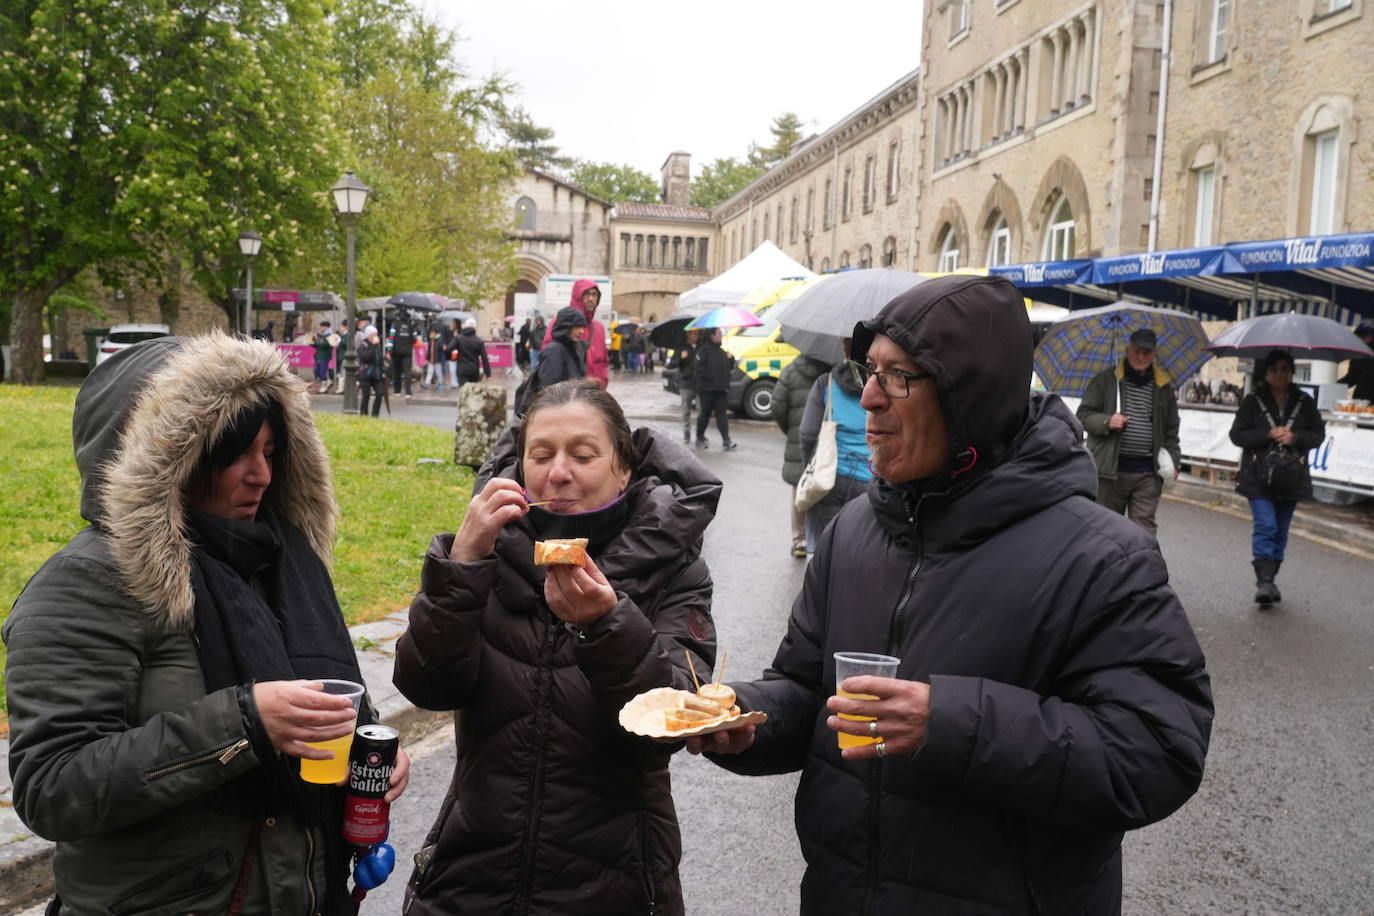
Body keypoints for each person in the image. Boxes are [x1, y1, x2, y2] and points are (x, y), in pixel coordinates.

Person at [688, 274, 1213, 914]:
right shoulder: (855, 529)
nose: (870, 397)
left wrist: (952, 724)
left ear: (972, 396)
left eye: (899, 375)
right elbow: (808, 688)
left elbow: (1156, 754)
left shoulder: (1103, 557)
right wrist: (747, 716)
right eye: (868, 369)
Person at [3, 331, 410, 916]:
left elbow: (327, 701)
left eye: (271, 452)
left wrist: (371, 755)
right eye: (234, 453)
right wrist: (241, 723)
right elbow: (52, 788)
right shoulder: (87, 583)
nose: (261, 476)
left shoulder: (279, 561)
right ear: (170, 458)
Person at [393, 378, 720, 916]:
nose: (558, 472)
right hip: (471, 879)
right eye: (540, 455)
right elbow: (427, 684)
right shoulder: (490, 554)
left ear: (625, 468)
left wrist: (606, 623)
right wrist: (463, 566)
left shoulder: (677, 569)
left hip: (616, 883)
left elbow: (668, 727)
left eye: (583, 455)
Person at [1228, 349, 1326, 607]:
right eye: (1274, 369)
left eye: (1285, 369)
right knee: (1266, 526)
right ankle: (1264, 582)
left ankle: (1271, 579)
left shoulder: (1304, 402)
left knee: (1281, 532)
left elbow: (1317, 435)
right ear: (1267, 372)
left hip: (1292, 476)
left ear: (1291, 372)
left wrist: (1295, 437)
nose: (1280, 374)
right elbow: (1237, 435)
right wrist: (1268, 433)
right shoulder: (1252, 401)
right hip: (1258, 476)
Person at [1076, 328, 1181, 536]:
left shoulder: (1163, 387)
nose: (1140, 357)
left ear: (1154, 354)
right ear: (1127, 349)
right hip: (1110, 471)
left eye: (1146, 352)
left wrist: (1174, 461)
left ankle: (1140, 569)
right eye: (1136, 351)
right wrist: (1107, 421)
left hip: (1148, 473)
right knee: (1104, 531)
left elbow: (1171, 430)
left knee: (1143, 532)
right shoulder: (1106, 380)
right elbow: (1083, 415)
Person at [798, 356, 872, 553]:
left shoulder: (827, 382)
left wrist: (810, 469)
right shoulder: (882, 385)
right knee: (862, 547)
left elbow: (807, 434)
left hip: (831, 478)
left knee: (829, 546)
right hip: (871, 479)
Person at [770, 353, 832, 558]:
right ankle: (823, 540)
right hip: (826, 440)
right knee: (824, 488)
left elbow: (777, 405)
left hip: (798, 436)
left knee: (800, 488)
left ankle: (799, 540)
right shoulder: (830, 372)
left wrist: (790, 428)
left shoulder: (790, 370)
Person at [515, 306, 588, 416]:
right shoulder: (555, 350)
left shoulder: (574, 348)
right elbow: (548, 389)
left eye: (583, 327)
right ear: (566, 327)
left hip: (568, 410)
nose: (582, 331)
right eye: (577, 327)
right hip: (557, 414)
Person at [543, 279, 608, 386]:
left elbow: (603, 362)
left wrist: (602, 384)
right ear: (577, 296)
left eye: (595, 294)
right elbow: (549, 360)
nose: (591, 298)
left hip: (594, 395)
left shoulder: (599, 327)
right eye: (586, 294)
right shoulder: (559, 323)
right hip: (569, 396)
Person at [693, 328, 737, 451]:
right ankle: (700, 438)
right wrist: (712, 377)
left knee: (722, 415)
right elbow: (699, 368)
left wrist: (730, 358)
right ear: (712, 336)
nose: (722, 335)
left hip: (721, 389)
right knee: (705, 415)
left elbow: (728, 368)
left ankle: (726, 440)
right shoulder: (703, 351)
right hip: (707, 390)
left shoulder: (722, 352)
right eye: (719, 333)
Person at [666, 329, 701, 444]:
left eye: (698, 333)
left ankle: (700, 435)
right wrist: (681, 358)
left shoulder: (700, 347)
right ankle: (687, 434)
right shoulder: (681, 348)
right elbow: (670, 365)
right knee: (686, 410)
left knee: (701, 410)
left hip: (699, 384)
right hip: (686, 384)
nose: (697, 335)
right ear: (688, 334)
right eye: (695, 333)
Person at [452, 317, 492, 388]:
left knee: (463, 392)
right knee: (472, 393)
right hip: (474, 370)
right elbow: (484, 358)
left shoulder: (458, 338)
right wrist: (487, 373)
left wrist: (451, 357)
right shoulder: (478, 340)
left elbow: (449, 349)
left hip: (462, 370)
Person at [1338, 323, 1374, 400]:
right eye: (1358, 336)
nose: (1359, 339)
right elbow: (1351, 378)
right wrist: (1333, 385)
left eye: (1364, 336)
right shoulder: (1358, 355)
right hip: (1360, 400)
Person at [357, 324, 386, 417]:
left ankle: (375, 414)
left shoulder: (377, 345)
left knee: (380, 393)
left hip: (377, 374)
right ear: (368, 335)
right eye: (373, 334)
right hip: (366, 374)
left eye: (376, 334)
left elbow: (379, 359)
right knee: (366, 396)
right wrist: (373, 346)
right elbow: (366, 357)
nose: (375, 336)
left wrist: (383, 371)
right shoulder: (363, 345)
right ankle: (364, 414)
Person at [390, 309, 416, 398]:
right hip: (408, 351)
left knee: (397, 371)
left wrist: (389, 351)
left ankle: (397, 391)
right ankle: (408, 392)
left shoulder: (394, 325)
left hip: (396, 351)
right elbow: (415, 339)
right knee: (407, 372)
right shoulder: (411, 326)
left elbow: (391, 339)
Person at [422, 321, 447, 390]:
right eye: (431, 333)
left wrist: (445, 346)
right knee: (430, 371)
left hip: (437, 359)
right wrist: (427, 357)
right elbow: (429, 351)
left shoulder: (439, 341)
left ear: (436, 334)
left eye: (432, 333)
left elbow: (444, 348)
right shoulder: (430, 341)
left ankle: (441, 383)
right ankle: (427, 383)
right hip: (431, 359)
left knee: (438, 372)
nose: (431, 334)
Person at [311, 320, 334, 391]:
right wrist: (312, 342)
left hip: (325, 356)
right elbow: (318, 345)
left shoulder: (330, 335)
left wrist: (316, 341)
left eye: (321, 327)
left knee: (322, 371)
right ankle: (328, 381)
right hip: (318, 356)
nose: (320, 328)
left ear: (326, 327)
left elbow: (324, 345)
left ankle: (324, 385)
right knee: (316, 371)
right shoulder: (321, 335)